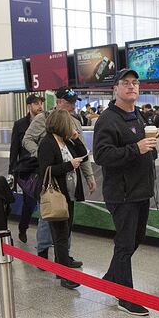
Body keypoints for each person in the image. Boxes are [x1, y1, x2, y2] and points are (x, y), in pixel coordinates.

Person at [94, 69, 156, 316]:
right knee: (125, 243)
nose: (131, 87)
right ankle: (125, 296)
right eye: (125, 83)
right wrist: (136, 149)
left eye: (135, 83)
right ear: (116, 89)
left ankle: (111, 276)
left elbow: (139, 149)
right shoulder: (108, 119)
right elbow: (101, 155)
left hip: (141, 190)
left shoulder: (138, 116)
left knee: (135, 239)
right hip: (122, 193)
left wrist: (148, 147)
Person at [22, 87, 95, 266]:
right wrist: (42, 154)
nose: (71, 106)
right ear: (58, 101)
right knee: (49, 217)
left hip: (69, 183)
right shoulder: (45, 120)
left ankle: (63, 257)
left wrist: (89, 176)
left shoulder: (74, 122)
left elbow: (82, 153)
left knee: (65, 222)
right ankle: (43, 252)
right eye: (68, 102)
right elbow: (27, 140)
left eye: (73, 102)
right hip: (52, 183)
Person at [36, 109, 89, 290]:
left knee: (65, 233)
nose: (72, 128)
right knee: (59, 235)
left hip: (70, 194)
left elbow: (85, 155)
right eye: (69, 125)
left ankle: (62, 263)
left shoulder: (66, 141)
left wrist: (75, 138)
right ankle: (64, 274)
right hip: (57, 195)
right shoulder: (47, 143)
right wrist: (69, 165)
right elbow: (45, 170)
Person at [9, 94, 44, 243]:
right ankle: (23, 228)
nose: (40, 106)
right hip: (26, 170)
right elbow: (14, 149)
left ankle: (45, 238)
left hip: (42, 167)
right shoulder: (20, 124)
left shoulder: (46, 122)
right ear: (29, 106)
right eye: (36, 104)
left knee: (45, 202)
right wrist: (12, 172)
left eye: (41, 103)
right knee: (29, 203)